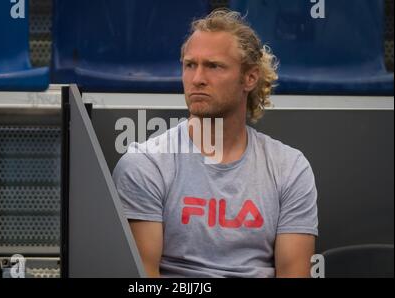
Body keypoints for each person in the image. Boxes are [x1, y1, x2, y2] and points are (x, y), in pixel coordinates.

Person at [112, 9, 318, 278]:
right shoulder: (145, 164)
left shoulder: (289, 168)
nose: (197, 78)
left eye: (213, 66)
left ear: (250, 78)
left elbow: (293, 272)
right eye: (189, 65)